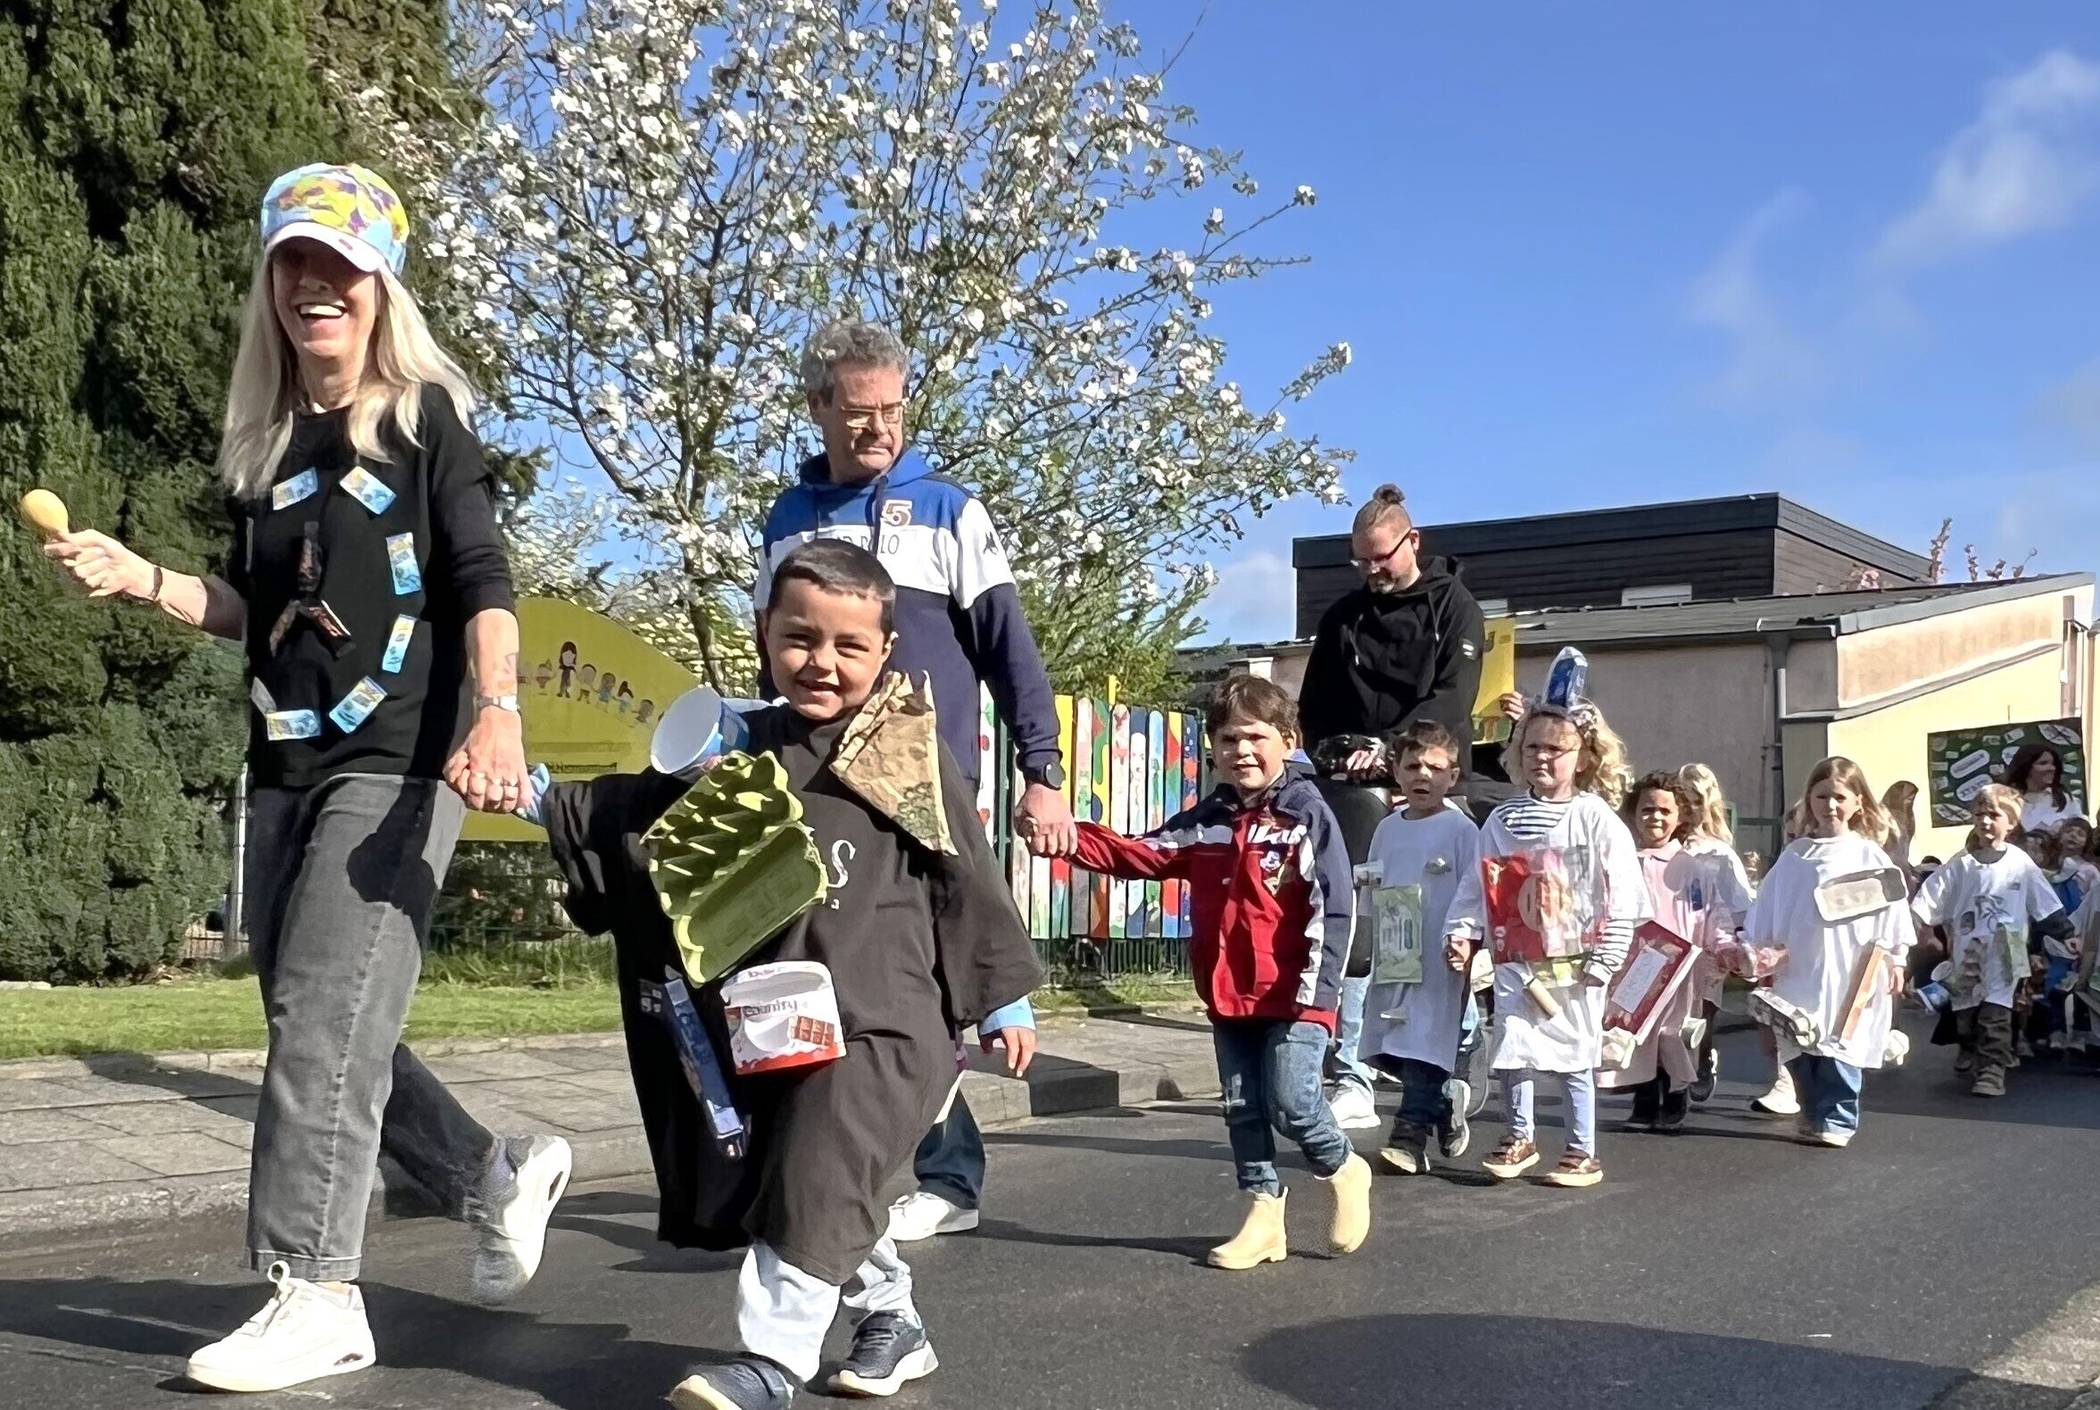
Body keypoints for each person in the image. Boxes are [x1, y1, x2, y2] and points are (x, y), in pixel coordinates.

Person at [42, 163, 570, 1393]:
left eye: (338, 265)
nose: (314, 285)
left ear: (379, 285)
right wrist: (147, 580)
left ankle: (314, 1289)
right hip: (287, 758)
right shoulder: (264, 442)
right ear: (271, 284)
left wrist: (497, 720)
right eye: (294, 262)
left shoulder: (426, 416)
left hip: (403, 758)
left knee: (327, 1015)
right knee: (314, 1014)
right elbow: (263, 609)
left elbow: (483, 582)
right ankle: (489, 1172)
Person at [543, 542, 1041, 1408]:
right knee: (799, 1169)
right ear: (764, 634)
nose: (823, 662)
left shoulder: (907, 758)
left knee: (821, 1152)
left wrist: (1005, 996)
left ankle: (771, 1363)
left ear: (886, 651)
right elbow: (629, 813)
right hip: (779, 1019)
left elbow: (969, 876)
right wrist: (535, 794)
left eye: (851, 646)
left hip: (892, 1022)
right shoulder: (739, 748)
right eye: (801, 638)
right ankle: (893, 1316)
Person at [754, 318, 1073, 1245]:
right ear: (819, 408)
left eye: (892, 410)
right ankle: (839, 1164)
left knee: (937, 968)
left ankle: (949, 1176)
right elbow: (772, 652)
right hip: (821, 786)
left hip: (928, 781)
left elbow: (1010, 649)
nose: (879, 429)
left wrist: (1042, 773)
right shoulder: (787, 520)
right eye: (858, 413)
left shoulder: (949, 511)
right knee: (843, 976)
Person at [1056, 675, 1371, 1268]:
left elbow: (1335, 908)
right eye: (1228, 739)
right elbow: (1143, 852)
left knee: (1294, 1102)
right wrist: (1068, 838)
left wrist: (1318, 993)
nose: (1241, 751)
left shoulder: (1306, 813)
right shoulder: (1212, 817)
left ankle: (1343, 1167)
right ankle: (1263, 1215)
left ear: (1286, 740)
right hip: (1229, 994)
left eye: (1255, 737)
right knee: (1242, 1105)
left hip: (1297, 992)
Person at [1298, 484, 1488, 1130]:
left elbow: (1453, 698)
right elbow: (1315, 705)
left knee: (1429, 944)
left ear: (1413, 543)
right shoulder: (1343, 617)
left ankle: (1455, 1056)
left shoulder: (1455, 609)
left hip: (1427, 788)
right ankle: (1351, 1072)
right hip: (1354, 799)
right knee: (1360, 935)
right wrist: (1336, 750)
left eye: (1380, 558)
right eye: (1360, 562)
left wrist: (1394, 751)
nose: (1371, 572)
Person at [1443, 690, 1647, 1188]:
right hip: (1517, 956)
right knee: (1514, 1044)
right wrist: (1462, 933)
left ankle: (1581, 1148)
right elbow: (1478, 883)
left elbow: (1622, 894)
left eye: (1557, 749)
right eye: (1533, 747)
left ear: (1582, 758)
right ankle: (1519, 1135)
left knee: (1575, 1049)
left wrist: (1607, 956)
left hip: (1577, 960)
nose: (1543, 757)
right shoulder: (1502, 821)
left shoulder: (1595, 818)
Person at [1736, 758, 1910, 1143]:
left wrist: (1896, 958)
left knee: (1841, 1039)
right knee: (1801, 1040)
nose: (1830, 805)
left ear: (1858, 803)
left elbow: (1893, 912)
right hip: (1799, 966)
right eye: (1822, 796)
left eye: (1839, 797)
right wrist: (1757, 949)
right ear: (1809, 800)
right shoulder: (1796, 855)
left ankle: (1838, 1118)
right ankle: (1814, 1112)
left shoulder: (1868, 856)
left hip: (1852, 965)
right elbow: (1769, 906)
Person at [1353, 722, 1483, 1174]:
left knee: (1427, 1037)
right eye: (1412, 765)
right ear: (1396, 770)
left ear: (1453, 775)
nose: (1422, 775)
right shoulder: (1387, 827)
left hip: (1441, 953)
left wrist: (1466, 940)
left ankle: (1409, 1136)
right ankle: (1444, 1100)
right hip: (1397, 948)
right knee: (1392, 1045)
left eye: (1435, 767)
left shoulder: (1461, 830)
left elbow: (1476, 888)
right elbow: (1374, 881)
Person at [1912, 785, 2069, 1097]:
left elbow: (2045, 904)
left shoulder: (2020, 863)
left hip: (2005, 954)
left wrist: (2067, 933)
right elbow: (1928, 901)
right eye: (1979, 814)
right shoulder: (1960, 864)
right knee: (1966, 1014)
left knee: (1995, 1013)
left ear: (2010, 822)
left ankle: (1991, 1069)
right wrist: (1909, 930)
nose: (1985, 821)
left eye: (1993, 815)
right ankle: (1969, 1047)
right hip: (1966, 953)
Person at [1598, 772, 1707, 1133]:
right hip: (1633, 960)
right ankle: (1645, 1099)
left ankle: (1676, 1094)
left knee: (1668, 1032)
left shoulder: (1689, 865)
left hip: (1674, 964)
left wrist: (1715, 948)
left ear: (1680, 817)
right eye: (1647, 809)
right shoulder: (1622, 859)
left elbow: (1702, 911)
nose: (1655, 818)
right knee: (1634, 1031)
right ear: (1634, 813)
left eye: (1664, 810)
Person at [1675, 763, 1756, 1106]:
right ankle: (1672, 1075)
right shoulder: (1664, 843)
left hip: (1707, 942)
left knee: (1702, 1009)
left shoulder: (1720, 852)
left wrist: (1740, 943)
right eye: (1684, 800)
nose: (1689, 809)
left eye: (1697, 801)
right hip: (1670, 937)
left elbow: (1739, 903)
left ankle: (1704, 1056)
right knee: (1669, 1011)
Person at [2006, 744, 2082, 838]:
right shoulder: (2006, 800)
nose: (2051, 768)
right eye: (2043, 763)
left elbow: (2082, 836)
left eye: (2053, 764)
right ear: (2026, 767)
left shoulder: (2067, 801)